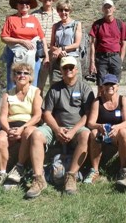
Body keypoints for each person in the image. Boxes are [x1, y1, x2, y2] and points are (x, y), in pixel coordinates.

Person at [25, 56, 95, 198]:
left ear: (76, 69)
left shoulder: (85, 88)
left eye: (71, 67)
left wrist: (73, 130)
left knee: (86, 134)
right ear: (61, 71)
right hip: (55, 127)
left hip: (76, 129)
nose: (68, 70)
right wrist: (57, 129)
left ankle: (71, 176)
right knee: (36, 134)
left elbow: (88, 115)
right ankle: (38, 178)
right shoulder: (55, 89)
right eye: (65, 68)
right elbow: (47, 113)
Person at [0, 63, 42, 188]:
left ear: (30, 77)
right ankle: (2, 173)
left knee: (28, 133)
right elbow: (3, 116)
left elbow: (37, 116)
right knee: (0, 140)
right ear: (14, 77)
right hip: (11, 125)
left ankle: (19, 167)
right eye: (18, 73)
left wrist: (21, 128)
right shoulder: (7, 94)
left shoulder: (35, 92)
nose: (22, 75)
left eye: (26, 73)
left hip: (28, 124)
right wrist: (8, 130)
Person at [85, 74, 126, 184]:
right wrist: (99, 126)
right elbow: (90, 123)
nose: (110, 86)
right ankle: (94, 170)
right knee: (93, 132)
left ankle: (123, 169)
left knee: (124, 132)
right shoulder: (97, 102)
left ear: (118, 86)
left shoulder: (122, 100)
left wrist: (117, 127)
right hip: (102, 133)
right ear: (102, 87)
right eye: (106, 84)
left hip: (116, 134)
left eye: (112, 84)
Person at [1, 0, 49, 90]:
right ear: (17, 5)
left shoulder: (34, 19)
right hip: (14, 53)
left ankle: (30, 103)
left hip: (33, 54)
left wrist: (46, 56)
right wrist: (22, 41)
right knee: (13, 81)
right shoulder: (11, 19)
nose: (24, 5)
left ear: (30, 5)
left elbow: (42, 37)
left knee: (32, 80)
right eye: (21, 2)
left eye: (27, 2)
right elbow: (4, 37)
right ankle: (12, 102)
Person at [88, 0, 126, 87]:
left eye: (110, 7)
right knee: (101, 86)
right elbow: (92, 44)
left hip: (115, 57)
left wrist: (120, 60)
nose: (108, 9)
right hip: (101, 58)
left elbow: (124, 43)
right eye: (105, 7)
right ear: (102, 9)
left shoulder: (120, 24)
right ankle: (100, 100)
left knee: (115, 85)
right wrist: (92, 63)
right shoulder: (97, 24)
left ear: (114, 8)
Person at [31, 0, 61, 94]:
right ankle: (38, 108)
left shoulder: (59, 15)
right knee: (39, 84)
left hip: (54, 52)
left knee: (56, 83)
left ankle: (53, 108)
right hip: (38, 52)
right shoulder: (34, 15)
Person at [50, 0, 83, 84]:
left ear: (70, 11)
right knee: (55, 85)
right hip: (58, 60)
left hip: (72, 58)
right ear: (58, 11)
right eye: (61, 10)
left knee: (74, 84)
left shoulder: (76, 24)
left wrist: (61, 49)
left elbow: (76, 44)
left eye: (66, 10)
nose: (63, 12)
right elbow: (52, 45)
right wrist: (58, 51)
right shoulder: (55, 26)